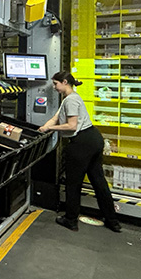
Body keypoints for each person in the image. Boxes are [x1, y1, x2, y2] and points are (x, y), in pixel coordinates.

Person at [39, 71, 121, 233]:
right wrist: (43, 128)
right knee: (98, 181)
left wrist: (51, 128)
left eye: (55, 84)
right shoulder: (70, 98)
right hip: (93, 139)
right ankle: (113, 221)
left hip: (82, 143)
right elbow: (56, 117)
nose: (54, 87)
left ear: (64, 82)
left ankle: (70, 220)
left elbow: (72, 126)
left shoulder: (70, 101)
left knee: (73, 183)